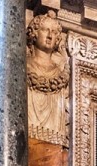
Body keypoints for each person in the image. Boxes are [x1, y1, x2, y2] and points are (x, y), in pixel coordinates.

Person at [26, 10, 69, 143]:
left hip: (55, 143)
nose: (50, 36)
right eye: (45, 30)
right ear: (34, 33)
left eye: (55, 32)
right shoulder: (24, 66)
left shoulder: (61, 73)